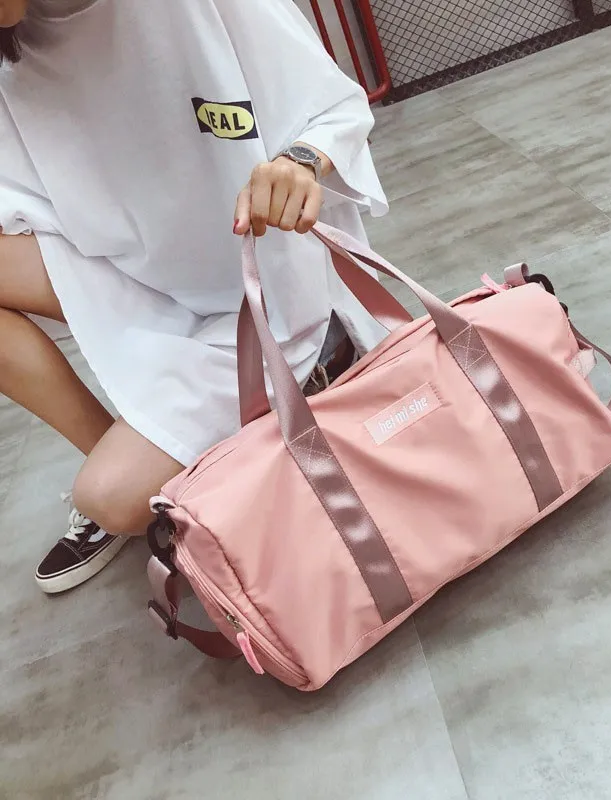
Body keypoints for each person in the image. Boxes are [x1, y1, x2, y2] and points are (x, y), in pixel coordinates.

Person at [0, 0, 389, 593]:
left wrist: (299, 162)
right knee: (115, 491)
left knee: (108, 494)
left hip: (268, 293)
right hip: (149, 279)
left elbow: (337, 105)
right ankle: (165, 474)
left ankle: (318, 363)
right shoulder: (14, 47)